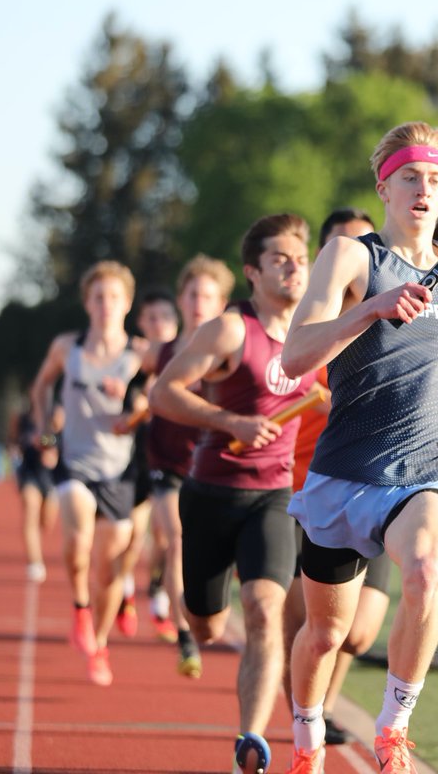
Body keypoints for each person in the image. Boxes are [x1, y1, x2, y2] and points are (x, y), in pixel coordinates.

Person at [281, 122, 438, 773]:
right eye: (411, 177)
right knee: (326, 634)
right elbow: (296, 353)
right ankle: (306, 736)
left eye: (436, 179)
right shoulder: (351, 257)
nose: (424, 188)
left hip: (423, 472)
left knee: (425, 568)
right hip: (342, 475)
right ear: (384, 187)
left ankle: (394, 724)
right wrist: (370, 308)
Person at [150, 213, 315, 774]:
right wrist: (230, 423)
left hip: (273, 497)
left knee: (266, 610)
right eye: (280, 259)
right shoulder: (228, 330)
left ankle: (251, 740)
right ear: (252, 271)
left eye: (301, 259)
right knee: (208, 625)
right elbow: (163, 393)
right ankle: (193, 623)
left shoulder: (316, 335)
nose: (294, 268)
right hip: (209, 494)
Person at [281, 207, 396, 747]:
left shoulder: (393, 313)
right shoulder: (316, 321)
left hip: (382, 481)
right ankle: (307, 706)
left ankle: (319, 702)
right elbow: (287, 371)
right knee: (314, 620)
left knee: (360, 631)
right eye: (338, 247)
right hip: (314, 484)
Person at [29, 261, 143, 686]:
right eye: (98, 297)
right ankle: (80, 607)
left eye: (114, 297)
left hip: (120, 469)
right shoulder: (67, 347)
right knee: (78, 540)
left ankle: (99, 642)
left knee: (110, 568)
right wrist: (44, 428)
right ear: (87, 303)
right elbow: (39, 386)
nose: (106, 305)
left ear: (127, 303)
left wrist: (132, 408)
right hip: (75, 461)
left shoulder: (140, 351)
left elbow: (162, 395)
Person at [139, 255, 235, 677]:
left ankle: (189, 608)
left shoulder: (229, 352)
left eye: (207, 296)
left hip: (213, 466)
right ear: (181, 299)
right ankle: (184, 637)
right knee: (177, 537)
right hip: (167, 463)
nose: (199, 302)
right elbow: (123, 373)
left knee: (209, 550)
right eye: (192, 294)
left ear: (222, 302)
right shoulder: (160, 352)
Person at [115, 288, 180, 642]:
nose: (159, 325)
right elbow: (126, 410)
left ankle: (157, 598)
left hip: (171, 461)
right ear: (141, 322)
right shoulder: (132, 361)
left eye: (165, 318)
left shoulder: (187, 356)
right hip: (136, 460)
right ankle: (125, 590)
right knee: (132, 539)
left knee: (167, 537)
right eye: (152, 318)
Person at [11, 403, 61, 583]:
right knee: (30, 513)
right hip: (29, 472)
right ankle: (35, 562)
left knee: (47, 523)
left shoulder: (57, 413)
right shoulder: (22, 418)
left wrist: (49, 445)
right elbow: (15, 442)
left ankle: (36, 548)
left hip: (50, 476)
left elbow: (62, 439)